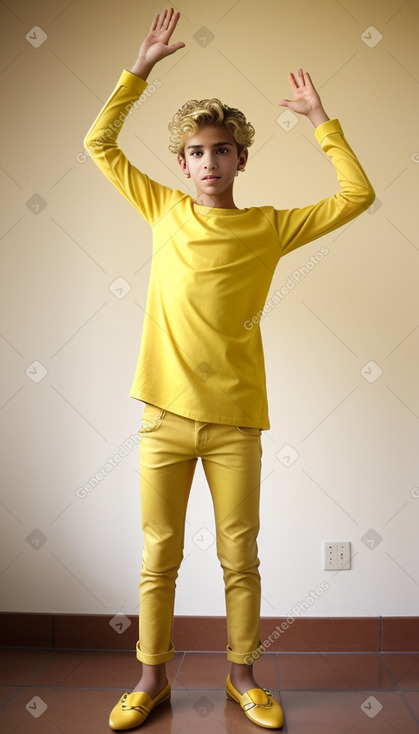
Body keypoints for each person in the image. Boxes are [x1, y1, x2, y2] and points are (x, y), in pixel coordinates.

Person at [83, 8, 375, 731]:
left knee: (238, 557)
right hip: (161, 417)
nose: (208, 162)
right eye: (195, 152)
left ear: (241, 157)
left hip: (236, 423)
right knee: (158, 558)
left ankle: (243, 678)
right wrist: (139, 70)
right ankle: (150, 680)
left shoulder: (269, 227)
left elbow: (356, 196)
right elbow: (98, 142)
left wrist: (320, 122)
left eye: (220, 150)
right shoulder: (164, 209)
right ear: (180, 164)